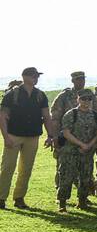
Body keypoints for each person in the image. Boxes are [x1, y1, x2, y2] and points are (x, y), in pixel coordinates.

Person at [0, 67, 56, 209]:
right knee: (7, 168)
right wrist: (6, 137)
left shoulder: (40, 95)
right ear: (24, 77)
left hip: (32, 137)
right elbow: (3, 116)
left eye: (37, 76)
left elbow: (46, 116)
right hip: (13, 135)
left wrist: (50, 135)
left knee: (26, 169)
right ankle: (1, 198)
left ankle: (19, 198)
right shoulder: (12, 94)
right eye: (33, 76)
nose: (36, 78)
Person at [55, 89, 97, 212]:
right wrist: (81, 144)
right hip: (70, 152)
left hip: (87, 153)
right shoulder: (71, 114)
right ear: (78, 99)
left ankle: (82, 201)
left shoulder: (95, 115)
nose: (86, 102)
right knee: (66, 177)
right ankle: (62, 203)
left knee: (85, 178)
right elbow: (66, 132)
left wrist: (89, 145)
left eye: (89, 99)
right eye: (83, 99)